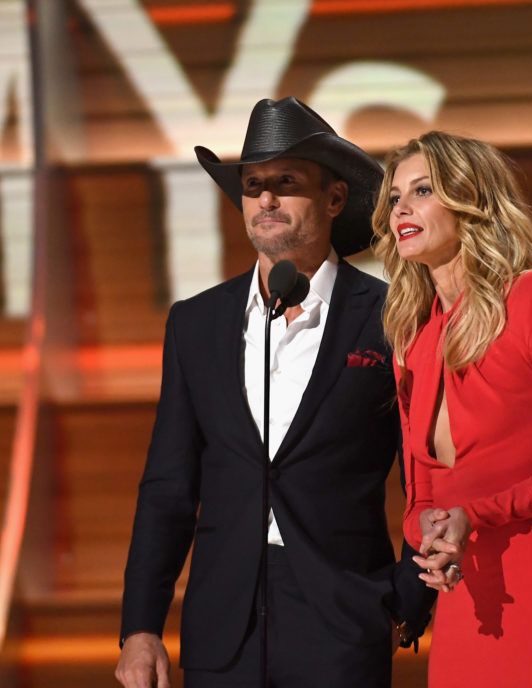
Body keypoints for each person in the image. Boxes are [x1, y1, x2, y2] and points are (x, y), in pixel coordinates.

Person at [115, 96, 436, 688]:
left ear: (335, 198)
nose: (264, 199)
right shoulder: (197, 322)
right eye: (253, 183)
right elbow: (168, 487)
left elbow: (428, 473)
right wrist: (140, 626)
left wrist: (405, 599)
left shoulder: (393, 314)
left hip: (344, 619)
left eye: (285, 182)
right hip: (221, 624)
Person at [371, 130, 532, 687]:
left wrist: (475, 515)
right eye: (395, 197)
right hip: (466, 590)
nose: (401, 209)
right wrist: (433, 533)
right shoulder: (412, 336)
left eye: (423, 191)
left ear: (470, 199)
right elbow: (422, 497)